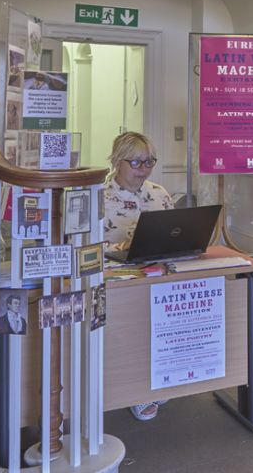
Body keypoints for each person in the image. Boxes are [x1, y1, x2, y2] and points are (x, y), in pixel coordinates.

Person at [102, 131, 174, 421]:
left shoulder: (159, 193)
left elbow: (174, 231)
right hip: (118, 279)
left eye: (149, 162)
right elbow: (82, 247)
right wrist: (123, 246)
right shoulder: (99, 197)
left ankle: (158, 380)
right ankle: (137, 390)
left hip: (158, 273)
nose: (143, 169)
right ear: (118, 161)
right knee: (133, 329)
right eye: (136, 163)